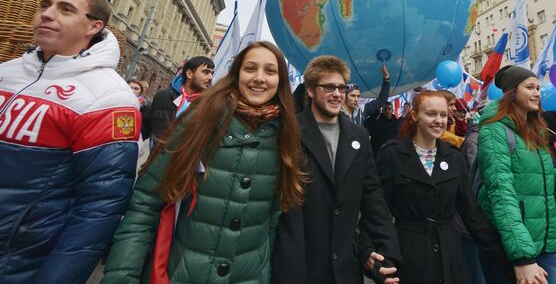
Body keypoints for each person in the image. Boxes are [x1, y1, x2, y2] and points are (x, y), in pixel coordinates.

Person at [101, 41, 304, 282]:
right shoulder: (200, 119)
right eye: (250, 69)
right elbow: (146, 204)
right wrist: (121, 277)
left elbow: (272, 222)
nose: (259, 78)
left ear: (280, 80)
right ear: (236, 74)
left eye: (270, 71)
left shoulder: (287, 134)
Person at [0, 0, 140, 284]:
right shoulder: (7, 71)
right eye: (46, 6)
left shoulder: (110, 98)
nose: (48, 15)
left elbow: (100, 207)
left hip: (19, 263)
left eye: (65, 10)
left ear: (94, 26)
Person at [272, 56, 400, 284]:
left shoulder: (358, 136)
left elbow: (371, 195)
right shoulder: (290, 130)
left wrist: (385, 250)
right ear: (310, 90)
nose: (337, 94)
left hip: (346, 267)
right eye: (329, 87)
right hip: (302, 264)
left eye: (341, 88)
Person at [376, 91, 516, 283]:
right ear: (415, 116)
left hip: (450, 253)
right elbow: (377, 211)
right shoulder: (392, 155)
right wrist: (378, 258)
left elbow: (471, 213)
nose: (439, 120)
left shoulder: (454, 157)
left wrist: (513, 263)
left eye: (443, 115)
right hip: (408, 252)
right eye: (431, 114)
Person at [476, 65, 556, 284]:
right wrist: (522, 258)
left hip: (543, 241)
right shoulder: (494, 131)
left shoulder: (537, 129)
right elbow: (501, 193)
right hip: (512, 245)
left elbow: (545, 185)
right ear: (511, 93)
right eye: (529, 87)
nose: (537, 93)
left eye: (538, 88)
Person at [148, 56, 214, 141]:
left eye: (212, 73)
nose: (210, 77)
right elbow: (154, 130)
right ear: (189, 74)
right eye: (206, 72)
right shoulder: (165, 96)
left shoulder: (210, 104)